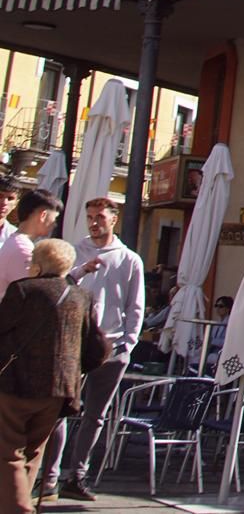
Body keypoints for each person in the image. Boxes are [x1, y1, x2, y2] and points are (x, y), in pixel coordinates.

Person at [38, 196, 145, 502]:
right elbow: (60, 288)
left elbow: (135, 306)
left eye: (100, 217)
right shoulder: (74, 251)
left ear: (114, 219)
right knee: (60, 411)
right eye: (90, 217)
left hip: (111, 345)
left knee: (95, 415)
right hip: (73, 344)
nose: (95, 222)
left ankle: (77, 476)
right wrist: (80, 270)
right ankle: (50, 478)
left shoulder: (129, 259)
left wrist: (128, 343)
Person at [0, 239, 106, 514]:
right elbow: (99, 348)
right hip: (59, 389)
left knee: (8, 451)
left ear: (37, 263)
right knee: (33, 451)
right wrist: (76, 368)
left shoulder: (23, 290)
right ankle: (14, 503)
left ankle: (19, 508)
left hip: (16, 384)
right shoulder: (81, 296)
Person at [0, 190, 62, 300]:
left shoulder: (17, 242)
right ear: (43, 215)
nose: (55, 224)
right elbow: (35, 295)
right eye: (55, 218)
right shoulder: (23, 250)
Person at [0, 173, 19, 247]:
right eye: (0, 196)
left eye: (10, 198)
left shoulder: (15, 238)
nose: (4, 202)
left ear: (15, 204)